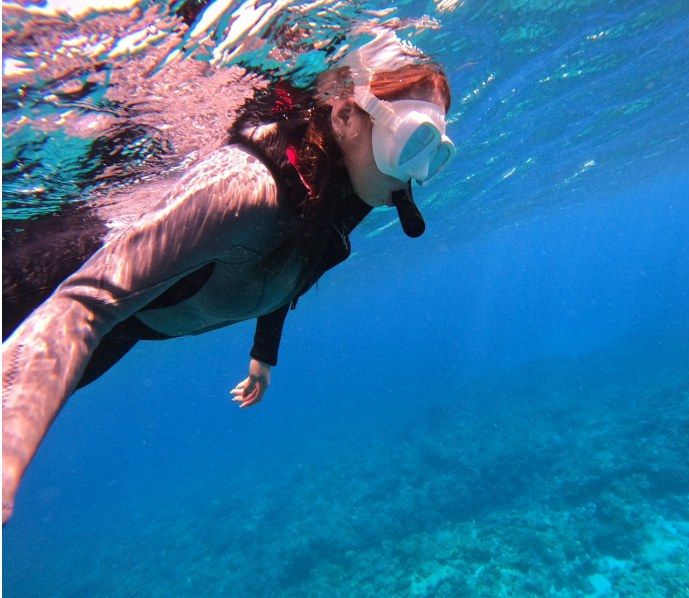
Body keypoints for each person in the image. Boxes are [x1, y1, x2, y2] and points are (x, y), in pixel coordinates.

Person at [1, 28, 455, 524]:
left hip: (129, 328)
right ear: (345, 116)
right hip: (46, 285)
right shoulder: (247, 190)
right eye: (411, 140)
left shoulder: (351, 191)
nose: (417, 172)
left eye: (435, 151)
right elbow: (82, 307)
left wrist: (264, 354)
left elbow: (294, 256)